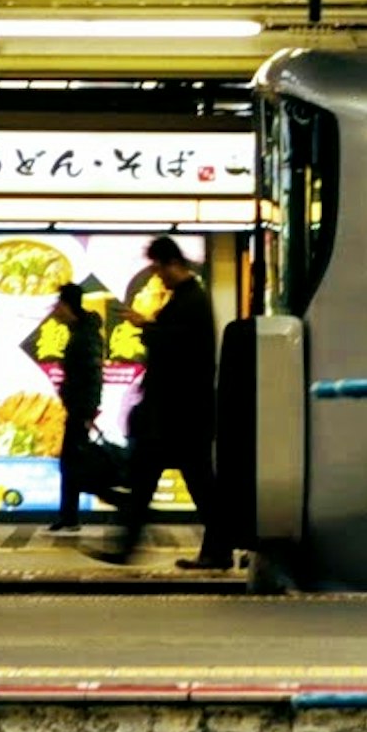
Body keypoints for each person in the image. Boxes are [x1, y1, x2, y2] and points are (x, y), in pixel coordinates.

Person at [89, 235, 223, 569]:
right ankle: (128, 548)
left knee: (200, 487)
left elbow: (182, 349)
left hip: (183, 414)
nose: (158, 276)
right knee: (147, 480)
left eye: (159, 268)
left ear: (172, 264)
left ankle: (217, 551)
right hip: (174, 414)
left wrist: (146, 326)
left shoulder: (193, 300)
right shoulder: (186, 298)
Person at [36, 281, 106, 513]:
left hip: (80, 409)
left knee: (74, 462)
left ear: (68, 306)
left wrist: (88, 410)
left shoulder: (85, 335)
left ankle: (76, 512)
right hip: (77, 407)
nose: (55, 309)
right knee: (73, 462)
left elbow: (92, 374)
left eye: (58, 304)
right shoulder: (81, 331)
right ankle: (69, 515)